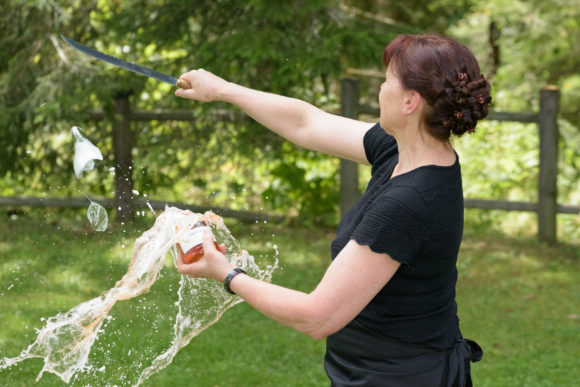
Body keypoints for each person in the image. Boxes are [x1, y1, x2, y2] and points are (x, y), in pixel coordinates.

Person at [174, 33, 490, 386]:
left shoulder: (408, 204)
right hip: (385, 366)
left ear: (410, 101)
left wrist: (226, 273)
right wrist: (222, 89)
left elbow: (316, 317)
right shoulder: (407, 151)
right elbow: (306, 123)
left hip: (399, 376)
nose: (380, 90)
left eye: (387, 82)